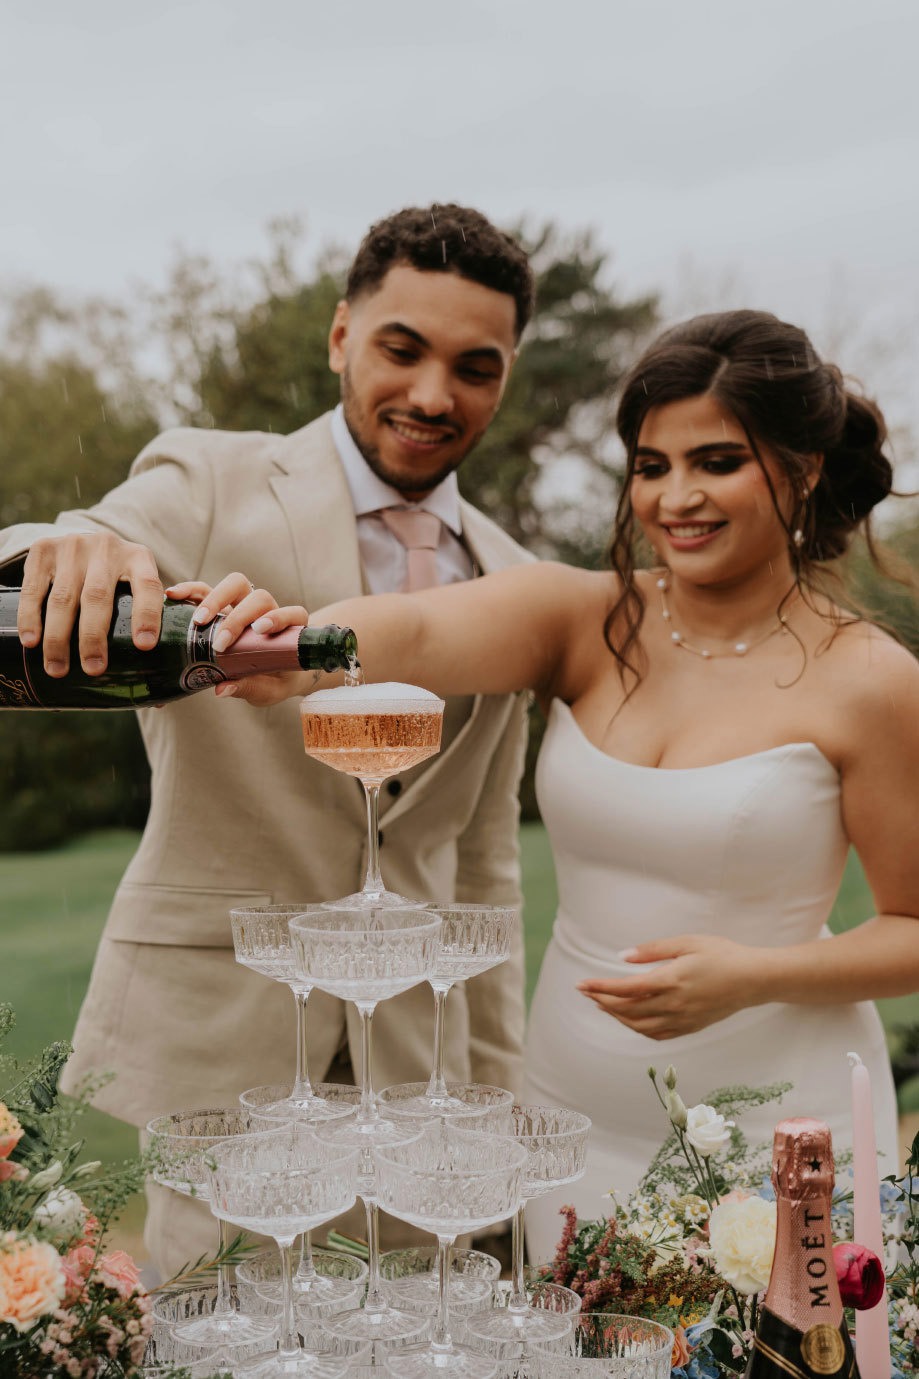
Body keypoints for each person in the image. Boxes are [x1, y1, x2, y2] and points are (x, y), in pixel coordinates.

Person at [199, 308, 919, 1262]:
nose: (675, 498)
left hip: (785, 1137)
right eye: (651, 466)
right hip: (573, 1133)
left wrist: (752, 977)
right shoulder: (580, 616)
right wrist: (299, 650)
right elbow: (414, 633)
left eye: (716, 461)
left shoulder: (868, 679)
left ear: (802, 468)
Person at [0, 203, 536, 1275]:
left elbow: (483, 858)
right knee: (217, 1327)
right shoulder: (209, 477)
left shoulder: (514, 575)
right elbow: (82, 542)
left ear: (506, 374)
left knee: (416, 1329)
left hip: (417, 1064)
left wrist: (495, 1089)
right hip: (223, 1039)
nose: (434, 394)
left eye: (475, 366)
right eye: (402, 347)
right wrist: (57, 551)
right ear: (341, 335)